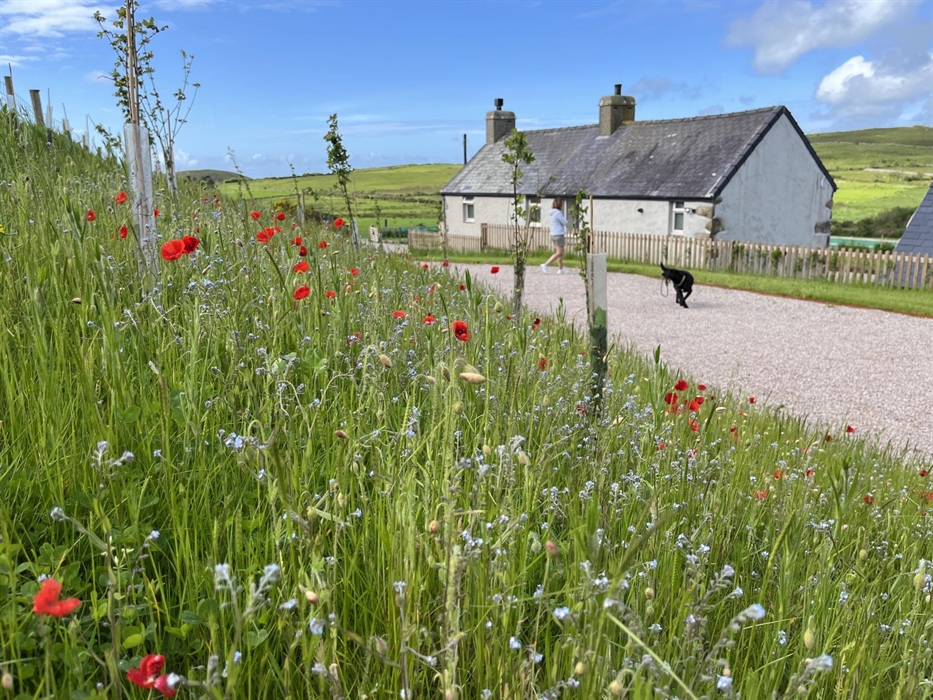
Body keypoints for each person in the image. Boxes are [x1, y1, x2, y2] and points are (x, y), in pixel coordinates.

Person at [541, 198, 570, 274]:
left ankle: (560, 269)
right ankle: (545, 264)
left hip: (553, 234)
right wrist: (567, 221)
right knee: (559, 253)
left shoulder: (553, 213)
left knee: (560, 252)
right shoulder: (558, 213)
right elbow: (564, 222)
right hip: (558, 234)